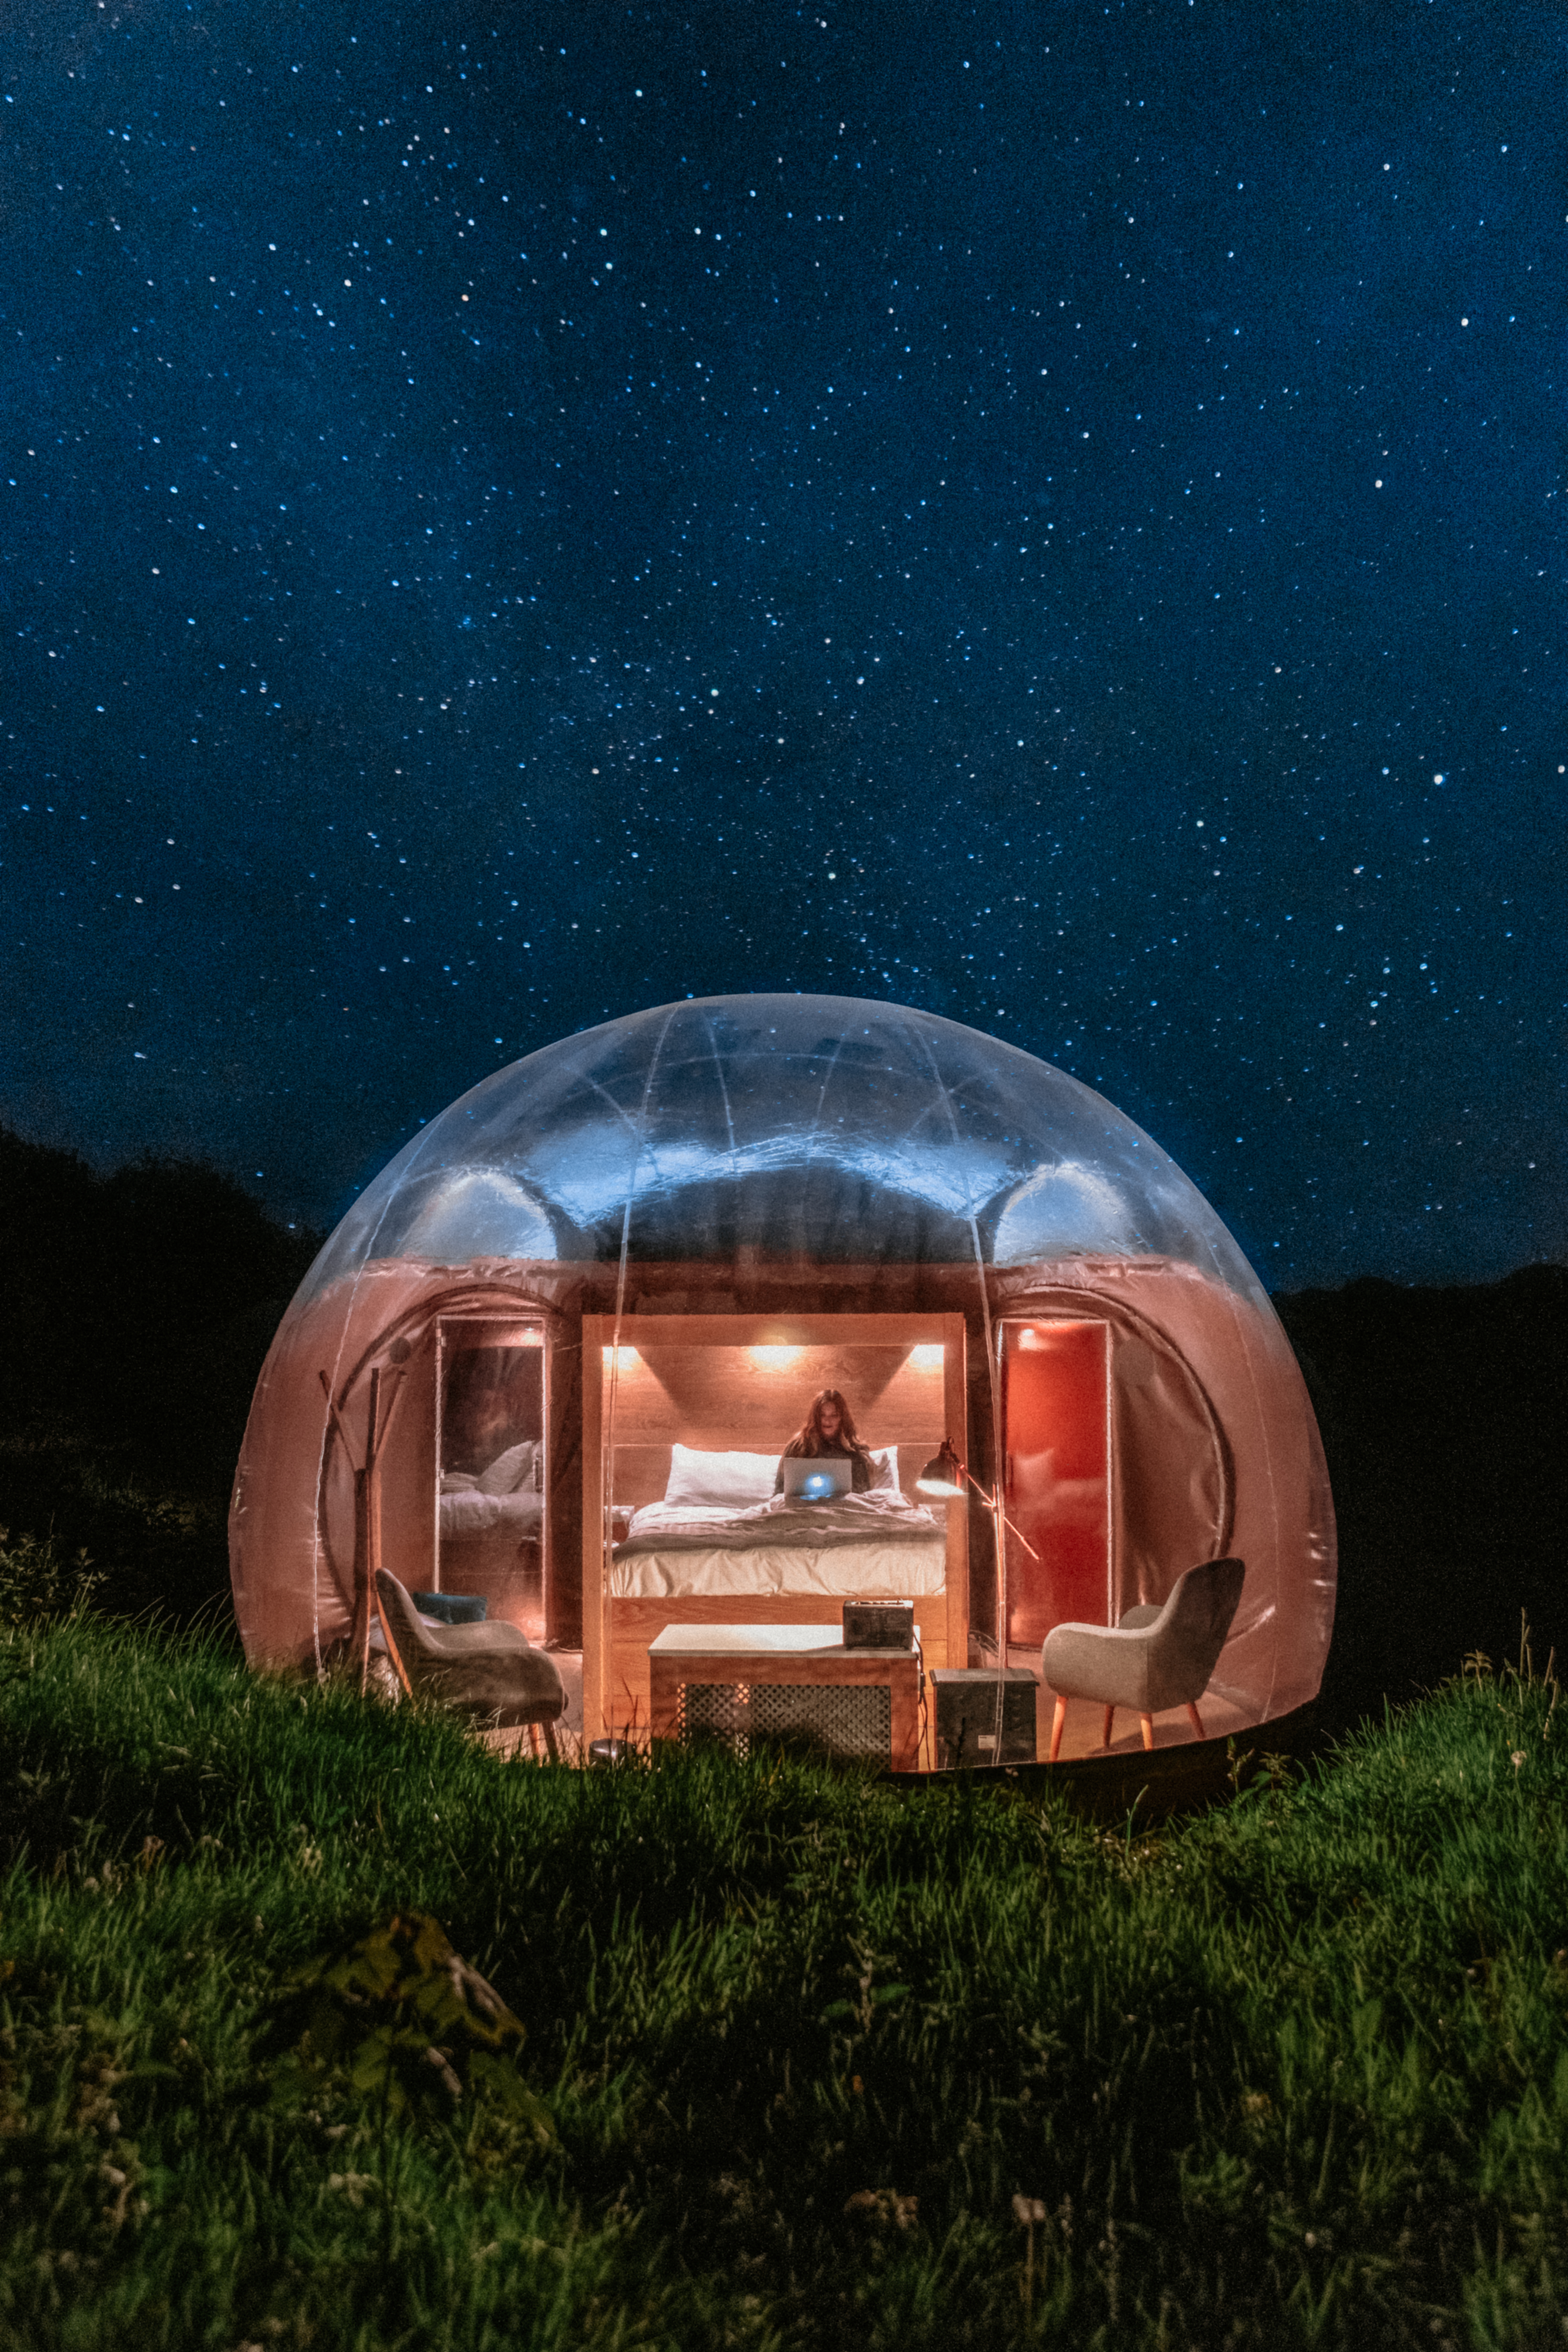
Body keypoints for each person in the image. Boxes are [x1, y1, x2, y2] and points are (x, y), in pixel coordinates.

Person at [774, 1388, 875, 1494]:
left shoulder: (855, 1450)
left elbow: (863, 1494)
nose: (828, 1420)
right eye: (823, 1415)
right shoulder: (798, 1447)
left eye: (834, 1415)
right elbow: (781, 1490)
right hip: (803, 1508)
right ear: (816, 1417)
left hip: (843, 1508)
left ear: (842, 1418)